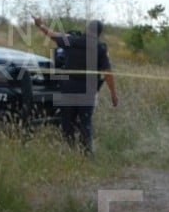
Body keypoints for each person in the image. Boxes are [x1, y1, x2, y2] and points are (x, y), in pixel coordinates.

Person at [33, 16, 119, 155]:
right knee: (85, 123)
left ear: (86, 29)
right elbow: (108, 73)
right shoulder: (100, 48)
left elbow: (52, 35)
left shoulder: (72, 41)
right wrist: (113, 94)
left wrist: (40, 25)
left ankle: (69, 152)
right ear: (99, 33)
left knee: (67, 122)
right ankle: (87, 155)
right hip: (88, 90)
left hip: (68, 88)